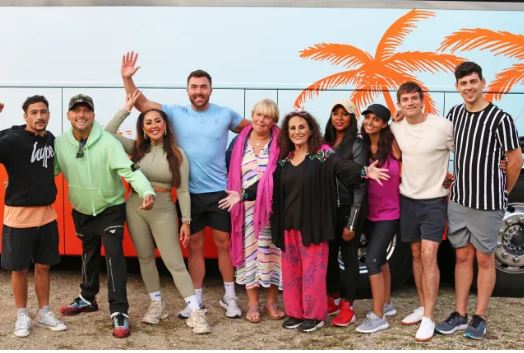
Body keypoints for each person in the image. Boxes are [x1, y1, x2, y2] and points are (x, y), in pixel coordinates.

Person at [120, 52, 250, 318]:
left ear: (211, 89)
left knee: (223, 244)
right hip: (189, 193)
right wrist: (127, 79)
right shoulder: (174, 113)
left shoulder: (226, 114)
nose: (198, 91)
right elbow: (141, 104)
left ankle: (230, 297)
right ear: (187, 90)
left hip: (220, 192)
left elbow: (255, 128)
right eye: (194, 87)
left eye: (203, 87)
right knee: (195, 246)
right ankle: (196, 299)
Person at [271, 110, 389, 333]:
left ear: (310, 130)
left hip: (312, 226)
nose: (297, 132)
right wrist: (244, 194)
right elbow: (267, 184)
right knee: (292, 273)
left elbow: (343, 168)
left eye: (301, 127)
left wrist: (365, 171)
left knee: (313, 273)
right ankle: (295, 313)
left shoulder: (322, 156)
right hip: (288, 227)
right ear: (287, 133)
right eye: (292, 128)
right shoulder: (284, 160)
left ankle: (314, 316)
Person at [105, 91, 210, 334]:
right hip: (135, 206)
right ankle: (156, 304)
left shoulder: (177, 154)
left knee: (174, 262)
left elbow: (183, 190)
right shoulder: (136, 148)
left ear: (165, 126)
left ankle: (195, 311)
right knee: (144, 257)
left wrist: (186, 221)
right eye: (148, 122)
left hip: (163, 208)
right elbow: (107, 133)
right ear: (142, 127)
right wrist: (126, 109)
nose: (153, 125)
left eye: (157, 121)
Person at [55, 94, 156, 338]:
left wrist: (146, 190)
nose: (81, 115)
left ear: (93, 115)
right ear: (69, 115)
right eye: (76, 111)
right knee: (88, 253)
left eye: (86, 111)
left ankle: (119, 311)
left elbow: (129, 170)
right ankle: (87, 298)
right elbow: (48, 170)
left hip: (110, 207)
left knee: (114, 256)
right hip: (81, 209)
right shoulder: (60, 143)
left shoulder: (108, 142)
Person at [435, 62, 522, 340]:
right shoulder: (455, 114)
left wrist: (502, 191)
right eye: (463, 83)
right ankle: (460, 314)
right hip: (459, 200)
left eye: (473, 82)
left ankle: (480, 316)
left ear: (483, 82)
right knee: (462, 256)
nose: (468, 87)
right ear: (457, 87)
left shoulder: (501, 118)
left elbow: (515, 160)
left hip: (488, 202)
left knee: (485, 259)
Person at [390, 82, 454, 342]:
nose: (411, 103)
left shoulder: (442, 126)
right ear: (400, 104)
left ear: (422, 100)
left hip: (434, 201)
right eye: (405, 100)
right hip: (408, 199)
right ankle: (421, 304)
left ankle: (428, 317)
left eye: (415, 98)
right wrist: (394, 116)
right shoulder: (396, 126)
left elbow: (464, 152)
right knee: (415, 253)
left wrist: (454, 178)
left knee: (429, 255)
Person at [0, 96, 67, 337]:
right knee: (19, 269)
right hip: (18, 217)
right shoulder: (11, 140)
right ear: (25, 116)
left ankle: (44, 311)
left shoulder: (50, 138)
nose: (40, 116)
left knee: (44, 267)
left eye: (43, 112)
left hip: (47, 216)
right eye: (34, 112)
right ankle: (22, 314)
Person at [218, 99, 283, 323]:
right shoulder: (239, 141)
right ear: (252, 115)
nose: (261, 120)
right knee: (249, 257)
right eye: (258, 114)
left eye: (267, 117)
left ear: (274, 121)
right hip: (244, 211)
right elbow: (226, 169)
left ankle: (272, 302)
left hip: (273, 211)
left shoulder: (281, 142)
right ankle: (253, 305)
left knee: (274, 255)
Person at [355, 104, 401, 334]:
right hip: (367, 212)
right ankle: (387, 303)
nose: (370, 122)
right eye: (367, 118)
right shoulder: (361, 145)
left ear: (384, 123)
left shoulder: (394, 144)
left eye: (375, 119)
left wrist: (399, 117)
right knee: (381, 259)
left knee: (372, 259)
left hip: (389, 213)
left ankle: (378, 316)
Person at [322, 100, 368, 327]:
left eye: (345, 114)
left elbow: (360, 184)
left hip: (349, 208)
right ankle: (332, 298)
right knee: (328, 256)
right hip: (328, 210)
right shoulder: (324, 142)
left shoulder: (357, 144)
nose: (339, 118)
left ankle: (348, 306)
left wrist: (352, 222)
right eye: (335, 113)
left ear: (352, 119)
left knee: (349, 257)